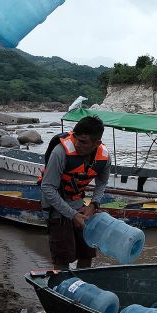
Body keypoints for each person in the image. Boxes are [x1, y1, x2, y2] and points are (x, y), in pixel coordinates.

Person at [39, 115, 110, 269]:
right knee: (62, 259)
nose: (77, 144)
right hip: (56, 208)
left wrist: (94, 204)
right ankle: (61, 288)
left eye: (83, 142)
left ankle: (82, 288)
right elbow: (47, 188)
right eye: (76, 138)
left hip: (78, 204)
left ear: (97, 143)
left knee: (88, 253)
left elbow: (102, 182)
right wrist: (73, 215)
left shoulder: (104, 157)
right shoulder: (60, 152)